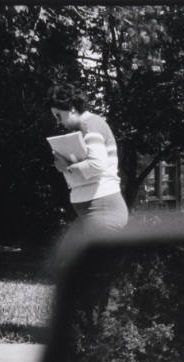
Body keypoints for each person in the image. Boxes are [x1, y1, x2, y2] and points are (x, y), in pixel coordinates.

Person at [47, 84, 128, 266]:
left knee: (95, 273)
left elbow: (97, 164)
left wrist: (66, 166)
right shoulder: (85, 128)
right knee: (69, 265)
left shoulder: (90, 123)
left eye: (58, 115)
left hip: (103, 210)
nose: (58, 122)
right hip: (94, 211)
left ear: (72, 108)